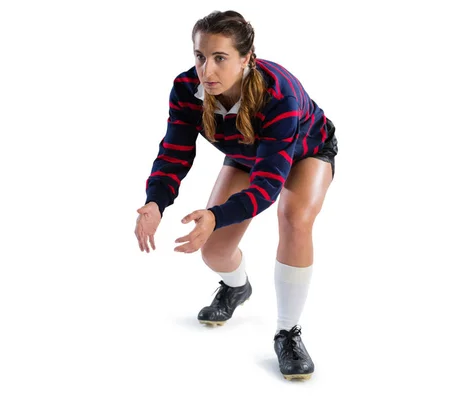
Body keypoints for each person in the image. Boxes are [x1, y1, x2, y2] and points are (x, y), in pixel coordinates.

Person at [134, 10, 338, 381]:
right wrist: (155, 202)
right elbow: (175, 152)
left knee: (294, 219)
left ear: (246, 58)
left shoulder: (279, 93)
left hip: (306, 151)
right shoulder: (186, 90)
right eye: (200, 56)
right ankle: (236, 287)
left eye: (220, 58)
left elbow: (268, 186)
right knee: (214, 251)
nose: (206, 70)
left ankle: (287, 332)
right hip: (247, 153)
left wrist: (215, 215)